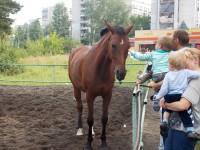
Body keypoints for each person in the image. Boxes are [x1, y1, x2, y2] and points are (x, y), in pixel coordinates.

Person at [154, 51, 199, 138]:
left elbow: (164, 89)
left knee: (167, 110)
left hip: (170, 96)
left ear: (170, 65)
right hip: (180, 96)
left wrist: (158, 97)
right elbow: (197, 74)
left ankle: (165, 121)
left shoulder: (168, 75)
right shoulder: (185, 72)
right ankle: (190, 128)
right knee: (184, 113)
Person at [129, 36, 173, 111]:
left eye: (156, 43)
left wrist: (132, 52)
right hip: (167, 74)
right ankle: (163, 98)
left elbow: (141, 57)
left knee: (156, 88)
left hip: (156, 75)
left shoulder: (153, 54)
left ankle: (156, 97)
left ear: (160, 45)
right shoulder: (171, 54)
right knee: (166, 88)